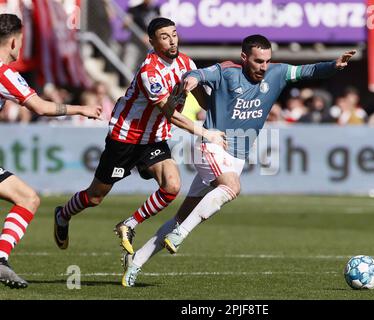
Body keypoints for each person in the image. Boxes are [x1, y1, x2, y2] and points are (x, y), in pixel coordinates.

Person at [120, 34, 356, 286]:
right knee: (231, 188)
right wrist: (190, 80)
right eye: (258, 61)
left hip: (237, 157)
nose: (263, 67)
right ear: (244, 58)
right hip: (212, 144)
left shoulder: (277, 73)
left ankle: (136, 263)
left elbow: (308, 70)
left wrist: (333, 65)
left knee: (182, 215)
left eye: (267, 61)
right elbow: (199, 74)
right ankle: (181, 234)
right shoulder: (227, 71)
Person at [53, 18, 225, 256]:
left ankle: (129, 224)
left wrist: (223, 111)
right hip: (126, 137)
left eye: (174, 34)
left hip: (154, 138)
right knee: (94, 197)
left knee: (172, 186)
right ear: (152, 41)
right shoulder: (149, 72)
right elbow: (171, 114)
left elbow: (203, 100)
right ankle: (63, 214)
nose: (172, 40)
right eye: (164, 37)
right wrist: (206, 133)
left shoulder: (186, 63)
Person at [0, 14, 102, 289]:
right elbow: (41, 107)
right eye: (20, 41)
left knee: (27, 198)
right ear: (12, 42)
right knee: (28, 199)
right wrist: (80, 108)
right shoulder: (5, 74)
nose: (21, 46)